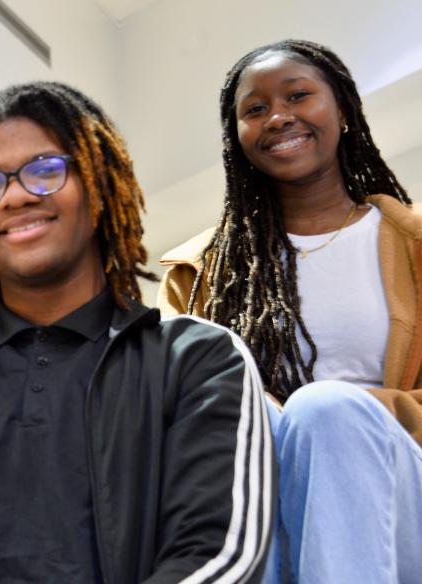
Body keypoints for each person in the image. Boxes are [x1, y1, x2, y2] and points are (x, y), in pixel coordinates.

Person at [0, 81, 274, 583]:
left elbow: (217, 556)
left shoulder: (200, 360)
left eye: (45, 171)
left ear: (98, 182)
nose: (16, 196)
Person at [158, 40, 422, 582]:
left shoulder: (416, 245)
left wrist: (337, 418)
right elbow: (173, 422)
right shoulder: (198, 274)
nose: (278, 117)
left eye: (299, 96)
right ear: (238, 137)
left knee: (324, 411)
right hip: (261, 502)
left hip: (405, 497)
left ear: (343, 111)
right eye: (255, 109)